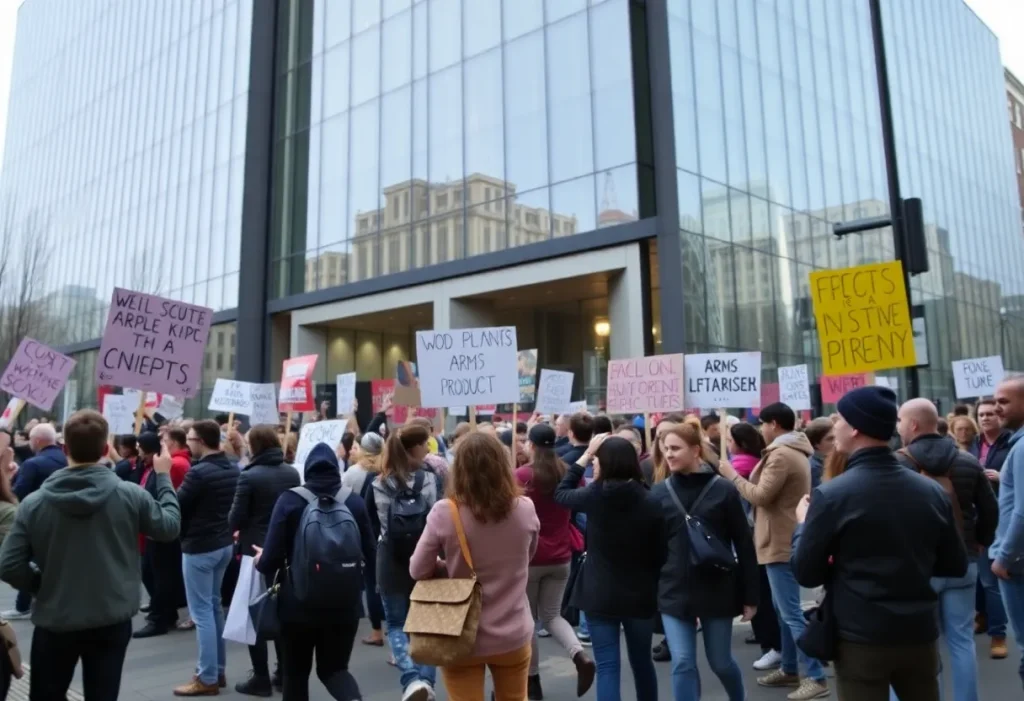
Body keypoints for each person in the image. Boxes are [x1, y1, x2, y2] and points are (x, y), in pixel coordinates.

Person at [792, 386, 969, 700]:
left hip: (861, 636)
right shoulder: (930, 491)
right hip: (918, 633)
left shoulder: (832, 495)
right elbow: (953, 563)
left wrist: (804, 526)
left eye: (840, 420)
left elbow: (807, 572)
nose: (835, 428)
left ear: (856, 427)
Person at [0, 409, 180, 701]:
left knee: (46, 694)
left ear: (65, 449)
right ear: (105, 448)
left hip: (56, 617)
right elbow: (169, 527)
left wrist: (41, 585)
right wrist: (163, 477)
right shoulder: (130, 495)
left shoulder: (35, 503)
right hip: (110, 616)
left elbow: (8, 565)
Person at [409, 432, 540, 701]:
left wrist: (446, 565)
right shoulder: (525, 508)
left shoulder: (446, 512)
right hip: (513, 631)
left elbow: (417, 570)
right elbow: (528, 556)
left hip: (460, 635)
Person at [717, 402, 828, 699]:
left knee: (790, 614)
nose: (760, 430)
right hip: (781, 537)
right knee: (783, 612)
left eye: (762, 424)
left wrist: (731, 475)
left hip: (780, 540)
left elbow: (761, 495)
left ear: (775, 424)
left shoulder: (781, 454)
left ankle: (814, 676)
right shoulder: (791, 451)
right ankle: (791, 668)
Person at [895, 398, 998, 700]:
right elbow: (989, 510)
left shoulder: (898, 463)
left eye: (901, 420)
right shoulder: (967, 461)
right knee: (961, 640)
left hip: (918, 565)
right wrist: (980, 540)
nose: (898, 426)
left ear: (913, 424)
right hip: (962, 559)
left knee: (923, 644)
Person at [255, 443, 376, 701]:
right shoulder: (353, 502)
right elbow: (370, 551)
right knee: (335, 669)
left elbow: (270, 558)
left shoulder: (289, 500)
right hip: (345, 602)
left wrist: (260, 559)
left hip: (297, 603)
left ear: (307, 470)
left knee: (295, 673)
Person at [552, 435, 664, 701]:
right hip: (640, 594)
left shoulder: (594, 495)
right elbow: (660, 553)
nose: (595, 465)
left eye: (597, 461)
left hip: (598, 592)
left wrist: (583, 457)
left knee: (607, 667)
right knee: (642, 663)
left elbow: (560, 493)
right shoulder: (651, 500)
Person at [651, 423, 757, 701]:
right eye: (666, 449)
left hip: (717, 587)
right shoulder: (659, 493)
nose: (669, 454)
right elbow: (652, 548)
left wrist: (750, 595)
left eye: (675, 448)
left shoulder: (723, 489)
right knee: (683, 661)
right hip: (673, 589)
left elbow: (744, 545)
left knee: (720, 661)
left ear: (696, 450)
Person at [514, 425, 593, 699]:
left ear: (533, 446)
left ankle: (532, 681)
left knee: (529, 620)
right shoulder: (567, 472)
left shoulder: (522, 475)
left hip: (530, 556)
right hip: (561, 554)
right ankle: (579, 654)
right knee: (552, 615)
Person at [228, 425, 300, 695]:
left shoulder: (249, 476)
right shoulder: (291, 472)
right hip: (283, 549)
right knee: (279, 610)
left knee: (255, 613)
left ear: (254, 445)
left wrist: (238, 528)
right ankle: (282, 672)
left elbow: (235, 517)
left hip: (253, 552)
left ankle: (260, 677)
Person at [371, 425, 440, 701]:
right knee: (428, 626)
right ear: (414, 448)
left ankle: (412, 680)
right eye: (425, 443)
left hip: (390, 559)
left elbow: (371, 518)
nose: (428, 447)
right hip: (425, 557)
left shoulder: (379, 482)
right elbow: (438, 517)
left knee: (397, 624)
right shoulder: (429, 479)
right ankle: (427, 681)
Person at [173, 420, 241, 696]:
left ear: (201, 441)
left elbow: (177, 506)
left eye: (190, 439)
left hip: (200, 546)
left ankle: (207, 676)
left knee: (202, 612)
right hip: (223, 543)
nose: (188, 443)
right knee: (212, 609)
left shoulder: (198, 473)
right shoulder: (232, 467)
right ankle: (217, 671)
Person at [727, 422, 782, 671]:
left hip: (752, 537)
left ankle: (772, 646)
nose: (727, 445)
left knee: (761, 593)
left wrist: (729, 476)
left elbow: (745, 503)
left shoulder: (738, 468)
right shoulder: (756, 462)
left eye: (730, 441)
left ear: (739, 444)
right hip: (756, 536)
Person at [2, 423, 68, 621]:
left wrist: (8, 478)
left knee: (26, 561)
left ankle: (24, 605)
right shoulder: (65, 459)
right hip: (63, 520)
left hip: (35, 520)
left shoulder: (33, 464)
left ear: (37, 441)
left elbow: (17, 494)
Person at [134, 430, 189, 639]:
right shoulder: (154, 466)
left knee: (161, 575)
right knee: (152, 572)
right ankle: (164, 611)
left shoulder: (174, 465)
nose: (162, 444)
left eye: (165, 440)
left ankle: (161, 616)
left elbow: (169, 494)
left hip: (163, 527)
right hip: (155, 527)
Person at [969, 397, 1011, 653]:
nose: (985, 418)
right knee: (978, 577)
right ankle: (982, 616)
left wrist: (1002, 476)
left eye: (990, 414)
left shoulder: (1013, 443)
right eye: (981, 414)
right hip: (975, 514)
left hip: (1002, 515)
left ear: (999, 417)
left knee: (990, 578)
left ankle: (999, 635)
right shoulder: (973, 445)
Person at [991, 376, 1024, 693]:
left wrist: (1004, 556)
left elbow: (1023, 511)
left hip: (1017, 562)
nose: (996, 407)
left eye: (1004, 401)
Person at [341, 431, 387, 647]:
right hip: (387, 530)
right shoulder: (387, 470)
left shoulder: (352, 473)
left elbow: (341, 501)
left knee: (370, 581)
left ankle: (377, 630)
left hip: (362, 530)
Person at [803, 418, 834, 490]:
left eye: (836, 437)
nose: (834, 442)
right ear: (816, 443)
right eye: (830, 439)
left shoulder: (832, 460)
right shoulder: (813, 468)